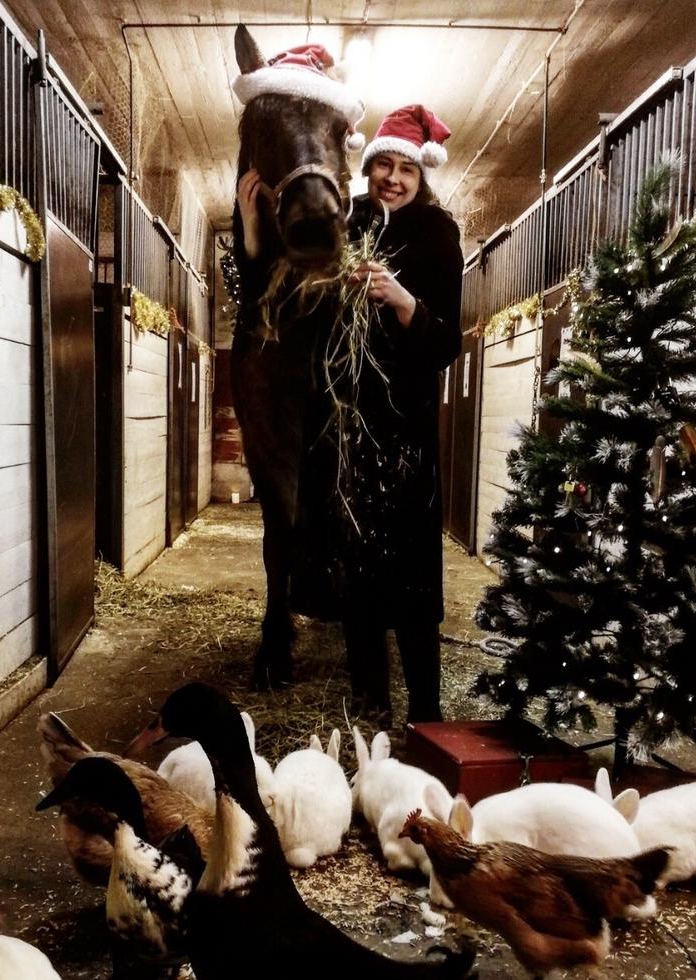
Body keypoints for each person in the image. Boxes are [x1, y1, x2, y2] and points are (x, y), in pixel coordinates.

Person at [236, 101, 463, 723]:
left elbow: (446, 344)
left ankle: (426, 714)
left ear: (421, 176)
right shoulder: (350, 220)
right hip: (345, 430)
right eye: (383, 165)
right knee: (357, 576)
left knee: (412, 583)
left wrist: (404, 301)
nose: (393, 178)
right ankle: (371, 707)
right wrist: (253, 234)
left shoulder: (437, 234)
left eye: (406, 170)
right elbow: (282, 296)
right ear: (367, 168)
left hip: (404, 432)